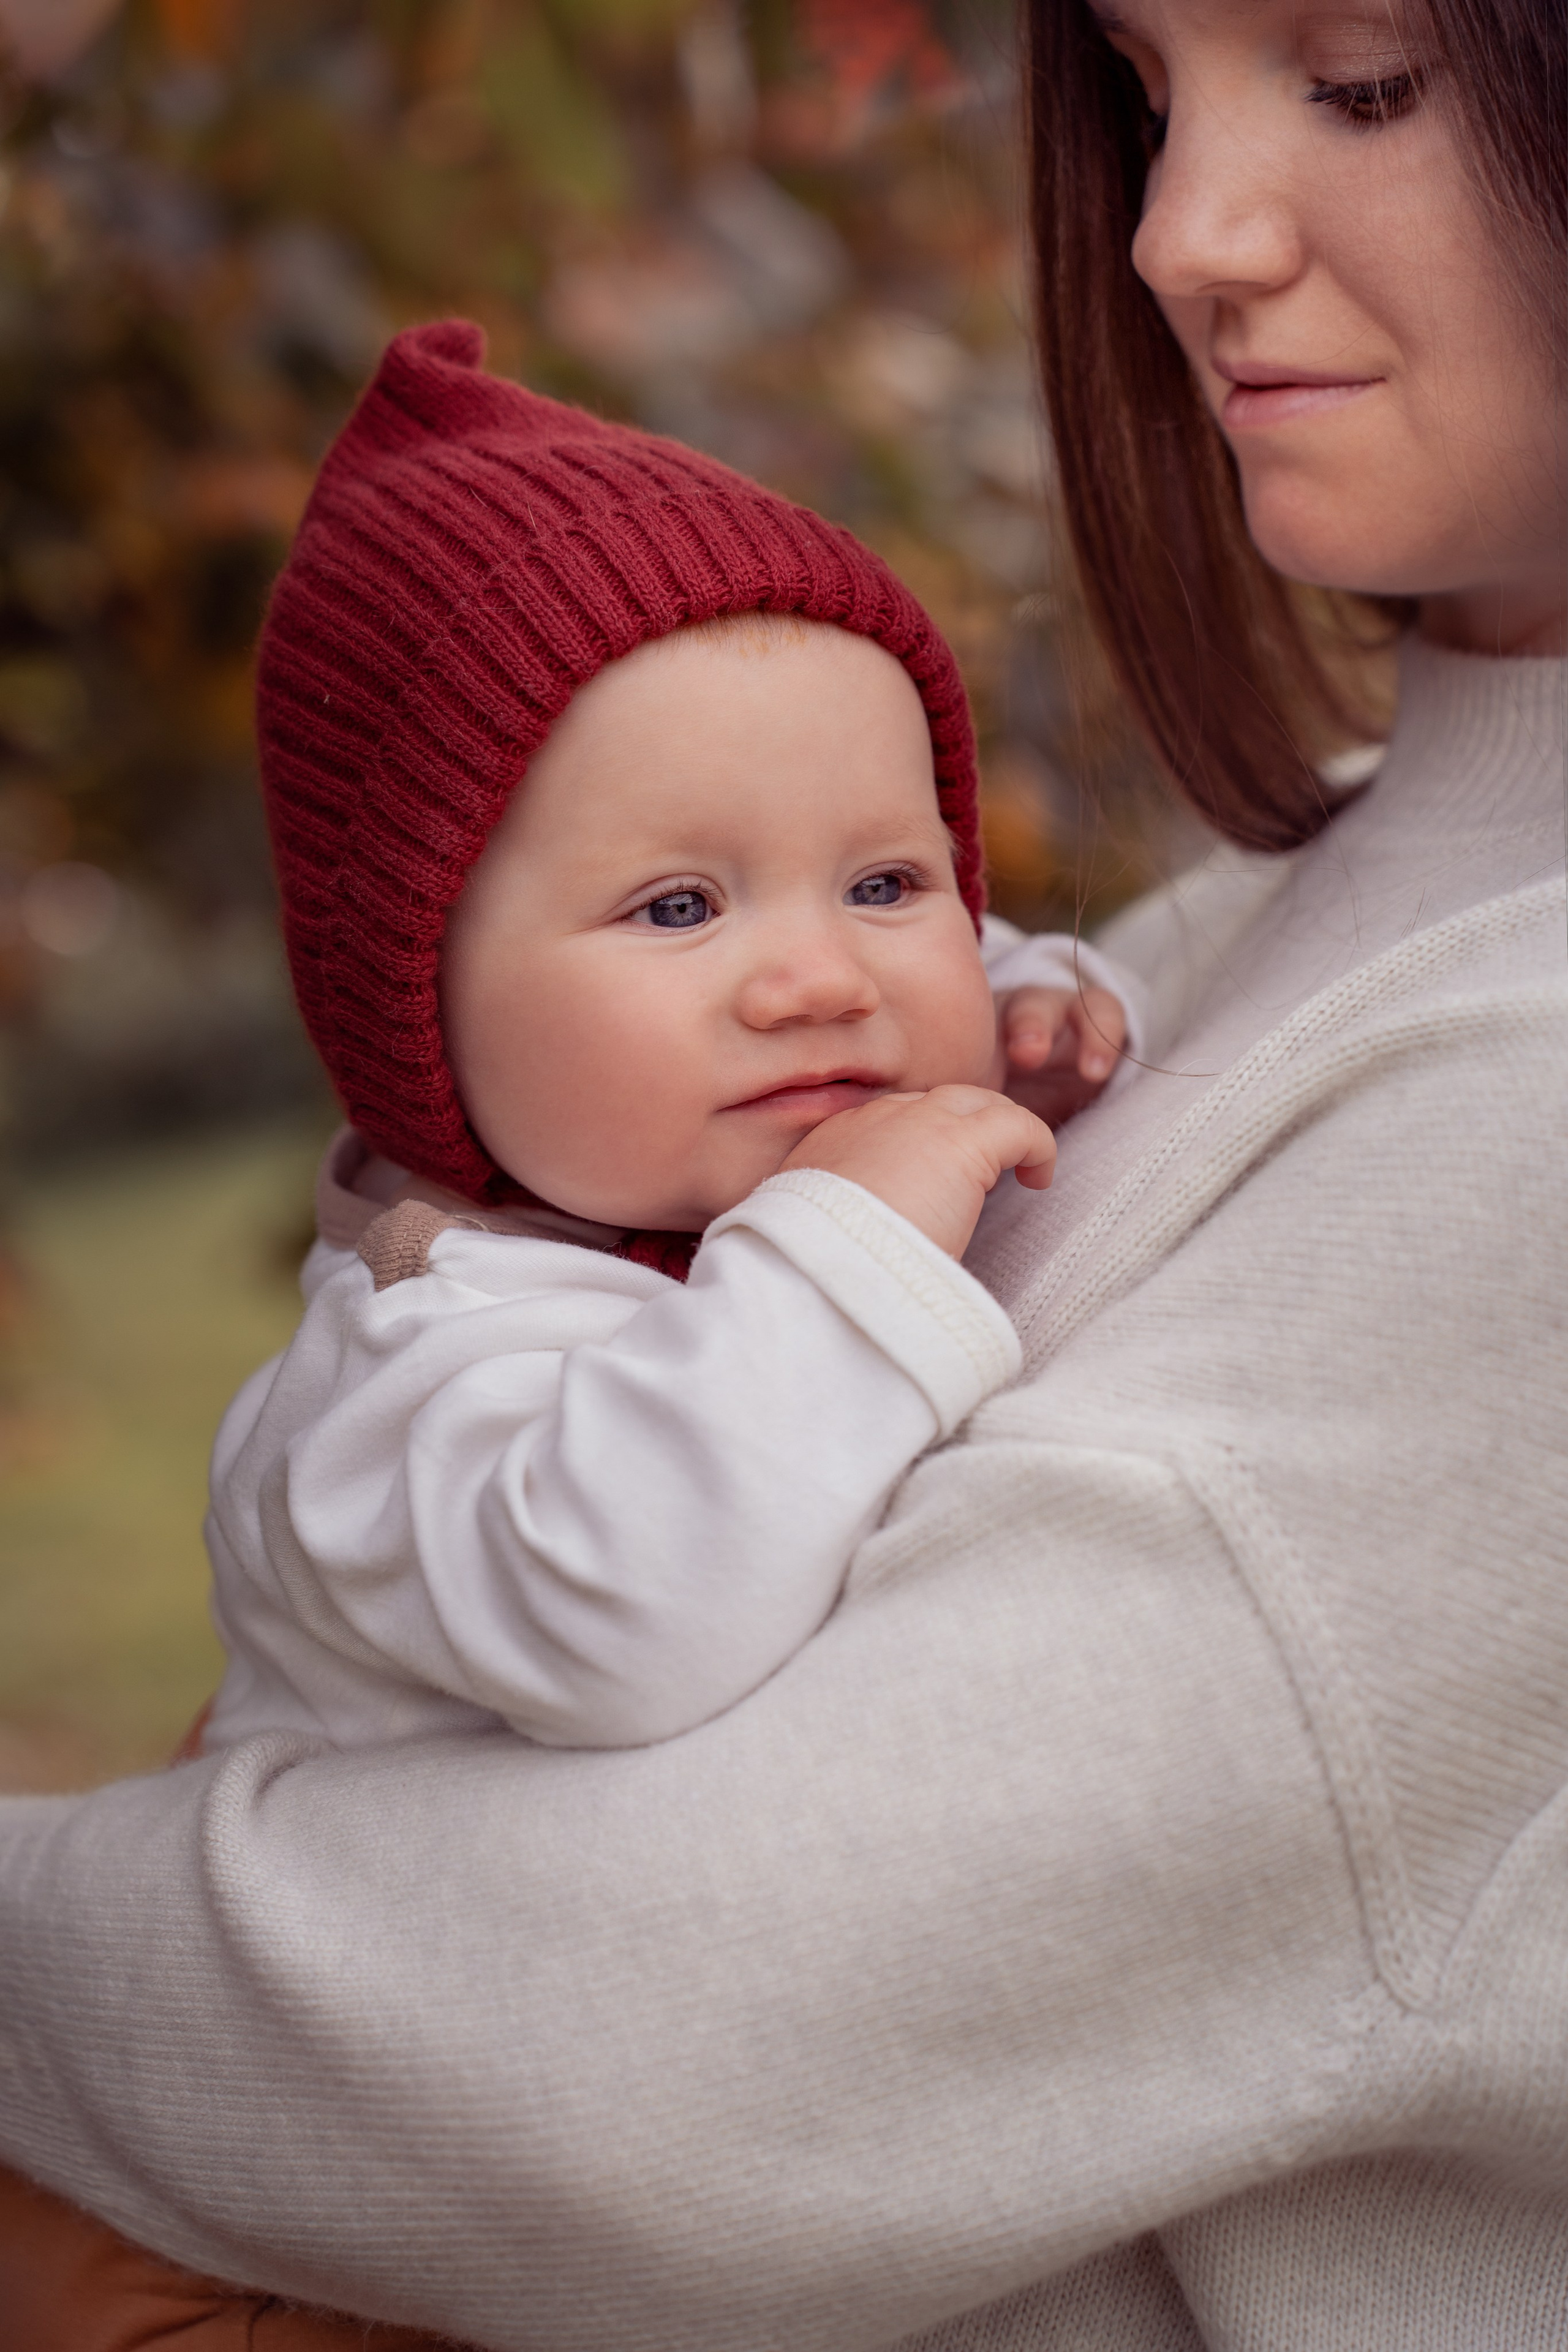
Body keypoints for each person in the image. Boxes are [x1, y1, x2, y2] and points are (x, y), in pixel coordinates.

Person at [0, 0, 1562, 2342]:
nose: (1174, 237)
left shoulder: (1512, 1103)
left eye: (1355, 82)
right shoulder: (1270, 916)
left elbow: (637, 2051)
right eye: (1144, 97)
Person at [198, 322, 1134, 1759]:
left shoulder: (725, 1087)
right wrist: (845, 1238)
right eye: (678, 906)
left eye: (884, 881)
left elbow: (967, 960)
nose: (819, 980)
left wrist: (1022, 1009)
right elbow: (623, 1621)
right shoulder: (406, 1372)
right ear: (412, 996)